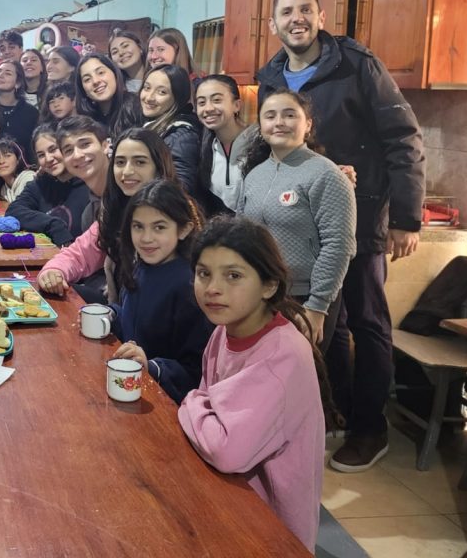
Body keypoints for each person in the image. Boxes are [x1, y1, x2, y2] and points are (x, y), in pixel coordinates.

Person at [256, 0, 425, 472]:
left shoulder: (357, 64)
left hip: (365, 216)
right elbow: (274, 140)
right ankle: (338, 410)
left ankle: (371, 429)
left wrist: (408, 217)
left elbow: (403, 137)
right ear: (273, 24)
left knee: (368, 322)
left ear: (321, 16)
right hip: (302, 223)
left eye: (305, 9)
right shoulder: (271, 75)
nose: (297, 19)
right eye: (287, 12)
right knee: (327, 321)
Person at [179, 217, 329, 552]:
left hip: (271, 530)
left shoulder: (282, 355)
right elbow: (211, 408)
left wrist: (189, 400)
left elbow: (225, 450)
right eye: (204, 273)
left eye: (233, 276)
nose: (213, 288)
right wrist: (204, 406)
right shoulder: (224, 331)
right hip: (230, 498)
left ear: (269, 285)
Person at [239, 89, 357, 355]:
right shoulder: (254, 176)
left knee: (298, 382)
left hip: (303, 298)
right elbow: (241, 234)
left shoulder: (326, 175)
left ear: (308, 124)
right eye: (270, 116)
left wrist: (317, 305)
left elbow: (339, 245)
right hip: (259, 296)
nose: (279, 122)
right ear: (261, 126)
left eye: (289, 115)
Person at [38, 125, 176, 306]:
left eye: (140, 162)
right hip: (122, 314)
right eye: (120, 162)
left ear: (159, 167)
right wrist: (54, 271)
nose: (127, 171)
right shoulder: (115, 209)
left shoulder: (176, 214)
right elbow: (80, 253)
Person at [111, 180, 213, 403]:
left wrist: (152, 366)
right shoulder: (140, 266)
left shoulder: (189, 284)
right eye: (138, 226)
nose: (146, 238)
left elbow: (196, 370)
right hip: (130, 384)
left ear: (184, 229)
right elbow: (135, 325)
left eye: (159, 227)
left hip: (165, 402)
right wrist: (111, 315)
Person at [6, 125, 90, 247]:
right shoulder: (40, 185)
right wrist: (52, 224)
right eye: (41, 155)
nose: (48, 158)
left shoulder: (89, 185)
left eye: (53, 149)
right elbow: (14, 210)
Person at [135, 64, 202, 196]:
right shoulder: (152, 125)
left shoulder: (182, 135)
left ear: (178, 97)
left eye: (162, 92)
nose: (149, 97)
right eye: (147, 88)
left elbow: (180, 190)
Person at [195, 74, 257, 216]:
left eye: (217, 100)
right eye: (201, 102)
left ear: (237, 105)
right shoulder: (204, 149)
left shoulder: (259, 144)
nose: (208, 108)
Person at [74, 53, 132, 136]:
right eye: (87, 79)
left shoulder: (137, 107)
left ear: (115, 74)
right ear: (83, 90)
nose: (95, 81)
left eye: (100, 72)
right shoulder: (86, 122)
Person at [0, 137, 35, 202]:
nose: (1, 161)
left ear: (18, 160)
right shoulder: (3, 189)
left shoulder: (29, 179)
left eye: (7, 156)